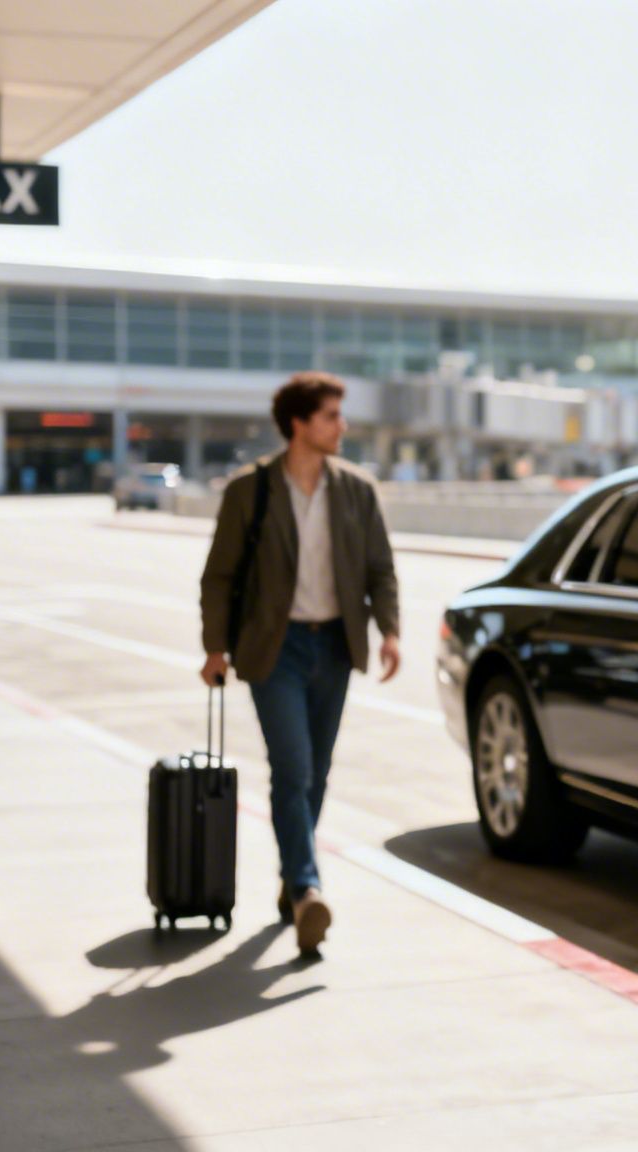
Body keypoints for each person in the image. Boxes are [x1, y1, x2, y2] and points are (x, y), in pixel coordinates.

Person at [199, 372, 400, 955]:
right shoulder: (250, 491)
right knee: (293, 769)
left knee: (319, 771)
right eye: (331, 417)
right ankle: (309, 886)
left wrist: (390, 631)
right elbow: (221, 575)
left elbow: (379, 568)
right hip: (274, 648)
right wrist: (215, 647)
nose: (343, 427)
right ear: (299, 424)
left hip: (335, 646)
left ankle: (293, 879)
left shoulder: (356, 490)